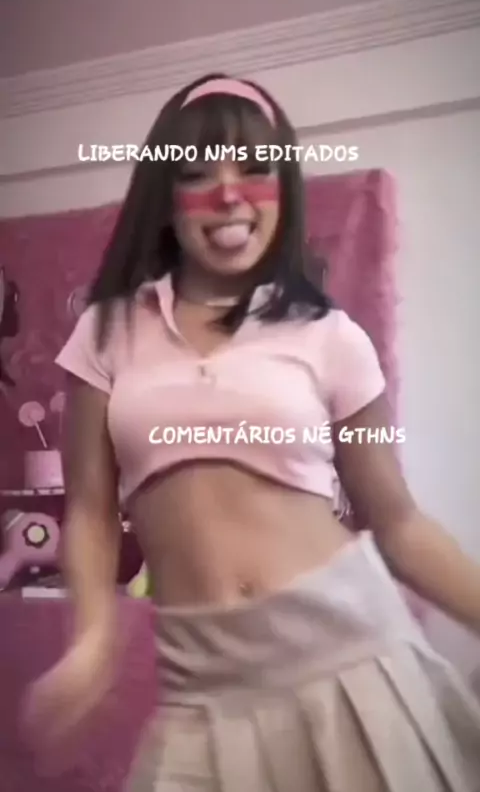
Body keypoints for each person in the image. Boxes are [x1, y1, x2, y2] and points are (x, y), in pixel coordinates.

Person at [28, 74, 480, 790]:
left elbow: (397, 522)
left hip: (351, 658)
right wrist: (92, 640)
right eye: (197, 174)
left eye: (255, 168)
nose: (229, 194)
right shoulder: (105, 333)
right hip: (202, 687)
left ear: (284, 188)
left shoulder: (331, 337)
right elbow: (89, 510)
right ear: (165, 199)